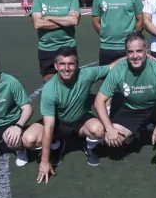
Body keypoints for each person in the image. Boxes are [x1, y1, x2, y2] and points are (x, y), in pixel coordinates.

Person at [21, 47, 123, 183]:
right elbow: (49, 126)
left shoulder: (86, 74)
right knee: (28, 139)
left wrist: (134, 57)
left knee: (99, 130)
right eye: (62, 64)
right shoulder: (50, 89)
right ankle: (56, 145)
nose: (67, 68)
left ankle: (89, 147)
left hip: (80, 120)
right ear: (56, 66)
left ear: (77, 65)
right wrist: (44, 161)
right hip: (58, 123)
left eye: (71, 64)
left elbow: (112, 67)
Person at [94, 32, 156, 181]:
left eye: (139, 51)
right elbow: (98, 101)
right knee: (112, 141)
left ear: (146, 50)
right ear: (126, 53)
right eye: (130, 52)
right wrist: (109, 128)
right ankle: (137, 132)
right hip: (132, 109)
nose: (135, 56)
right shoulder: (119, 69)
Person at [30, 0, 81, 83]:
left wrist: (48, 17)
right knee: (49, 81)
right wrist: (65, 21)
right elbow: (37, 23)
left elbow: (73, 21)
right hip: (46, 48)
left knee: (70, 80)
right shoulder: (39, 0)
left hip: (68, 47)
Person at [92, 0, 143, 66]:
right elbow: (95, 21)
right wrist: (105, 34)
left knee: (128, 79)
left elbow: (140, 20)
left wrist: (132, 37)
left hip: (128, 47)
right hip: (106, 47)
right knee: (106, 79)